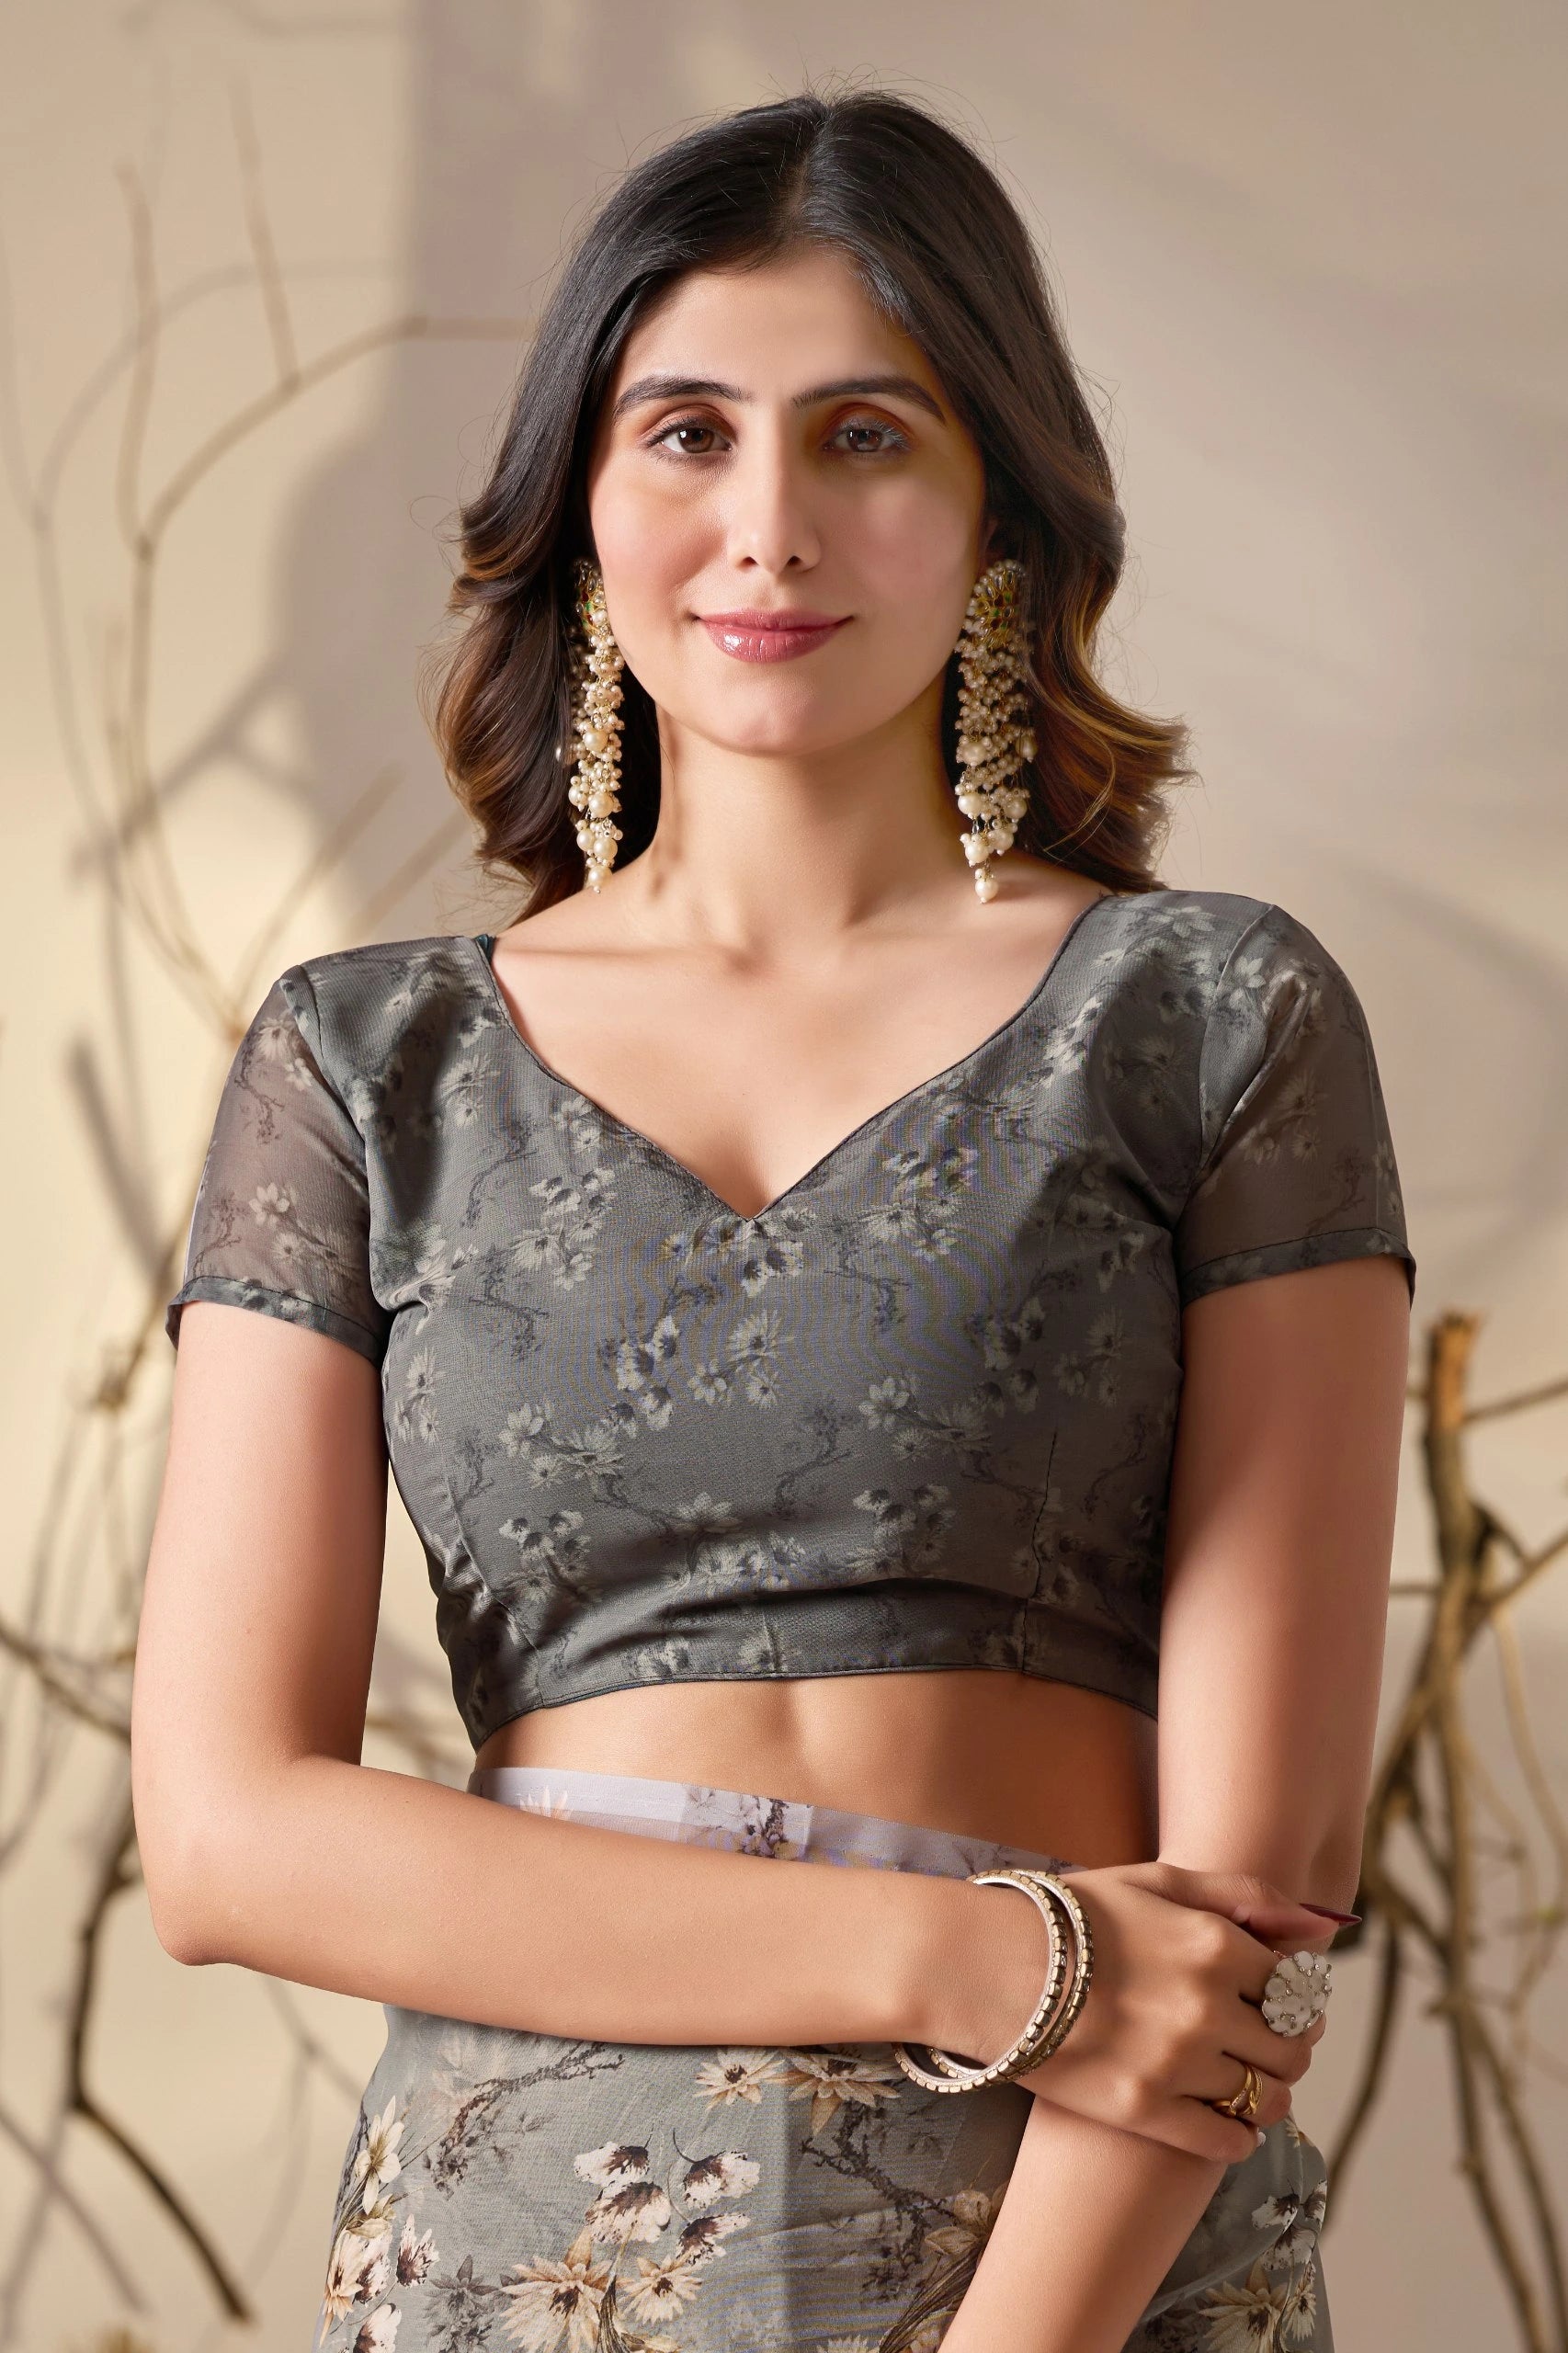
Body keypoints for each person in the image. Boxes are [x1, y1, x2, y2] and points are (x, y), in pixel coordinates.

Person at [130, 87, 1415, 2353]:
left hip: (1088, 2238)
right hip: (525, 2248)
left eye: (865, 437)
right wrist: (968, 1954)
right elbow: (230, 1840)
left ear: (995, 507)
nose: (768, 527)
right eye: (689, 432)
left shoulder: (1211, 1015)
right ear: (582, 504)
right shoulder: (363, 1065)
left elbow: (1258, 1868)